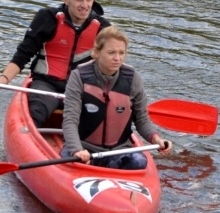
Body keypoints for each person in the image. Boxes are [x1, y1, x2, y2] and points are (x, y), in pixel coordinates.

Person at [0, 0, 111, 127]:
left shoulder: (103, 28)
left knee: (103, 121)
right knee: (37, 111)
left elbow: (113, 66)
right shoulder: (47, 18)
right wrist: (1, 81)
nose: (85, 5)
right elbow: (23, 55)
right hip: (46, 85)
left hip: (80, 89)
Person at [61, 26, 173, 170]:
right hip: (85, 149)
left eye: (121, 53)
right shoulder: (79, 77)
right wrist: (77, 150)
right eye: (111, 53)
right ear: (96, 53)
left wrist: (156, 139)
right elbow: (70, 120)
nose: (117, 58)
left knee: (140, 163)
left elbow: (142, 120)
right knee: (69, 161)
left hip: (119, 150)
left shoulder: (133, 79)